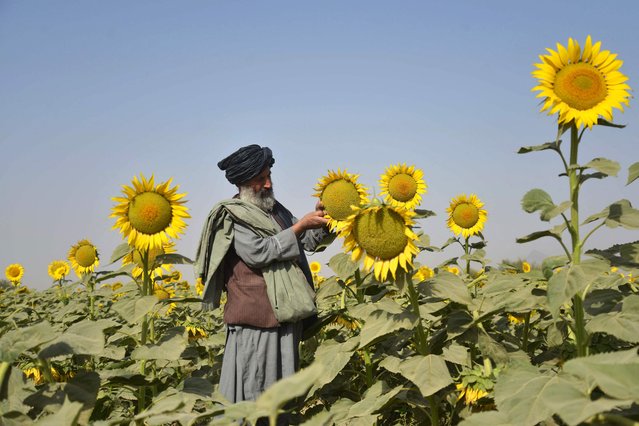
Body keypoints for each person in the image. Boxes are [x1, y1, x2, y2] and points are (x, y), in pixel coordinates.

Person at [194, 144, 330, 405]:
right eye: (260, 179)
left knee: (283, 398)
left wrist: (327, 220)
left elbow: (307, 241)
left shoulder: (275, 210)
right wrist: (300, 225)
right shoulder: (233, 215)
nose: (268, 184)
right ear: (244, 183)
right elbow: (259, 252)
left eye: (269, 176)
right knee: (255, 396)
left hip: (286, 316)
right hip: (256, 322)